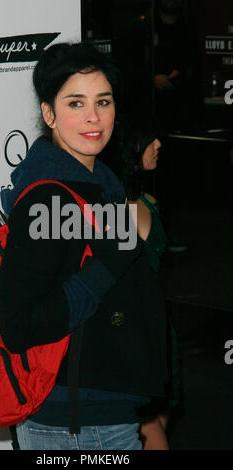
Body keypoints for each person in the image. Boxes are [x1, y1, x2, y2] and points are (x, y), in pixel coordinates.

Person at [0, 42, 168, 451]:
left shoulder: (101, 182)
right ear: (49, 114)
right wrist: (106, 269)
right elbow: (18, 325)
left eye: (102, 101)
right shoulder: (47, 198)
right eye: (76, 103)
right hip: (75, 422)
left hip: (106, 408)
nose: (93, 117)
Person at [115, 127, 181, 450]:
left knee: (159, 424)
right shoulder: (108, 212)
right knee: (151, 429)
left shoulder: (149, 201)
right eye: (149, 139)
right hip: (133, 334)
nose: (158, 144)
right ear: (130, 146)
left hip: (160, 333)